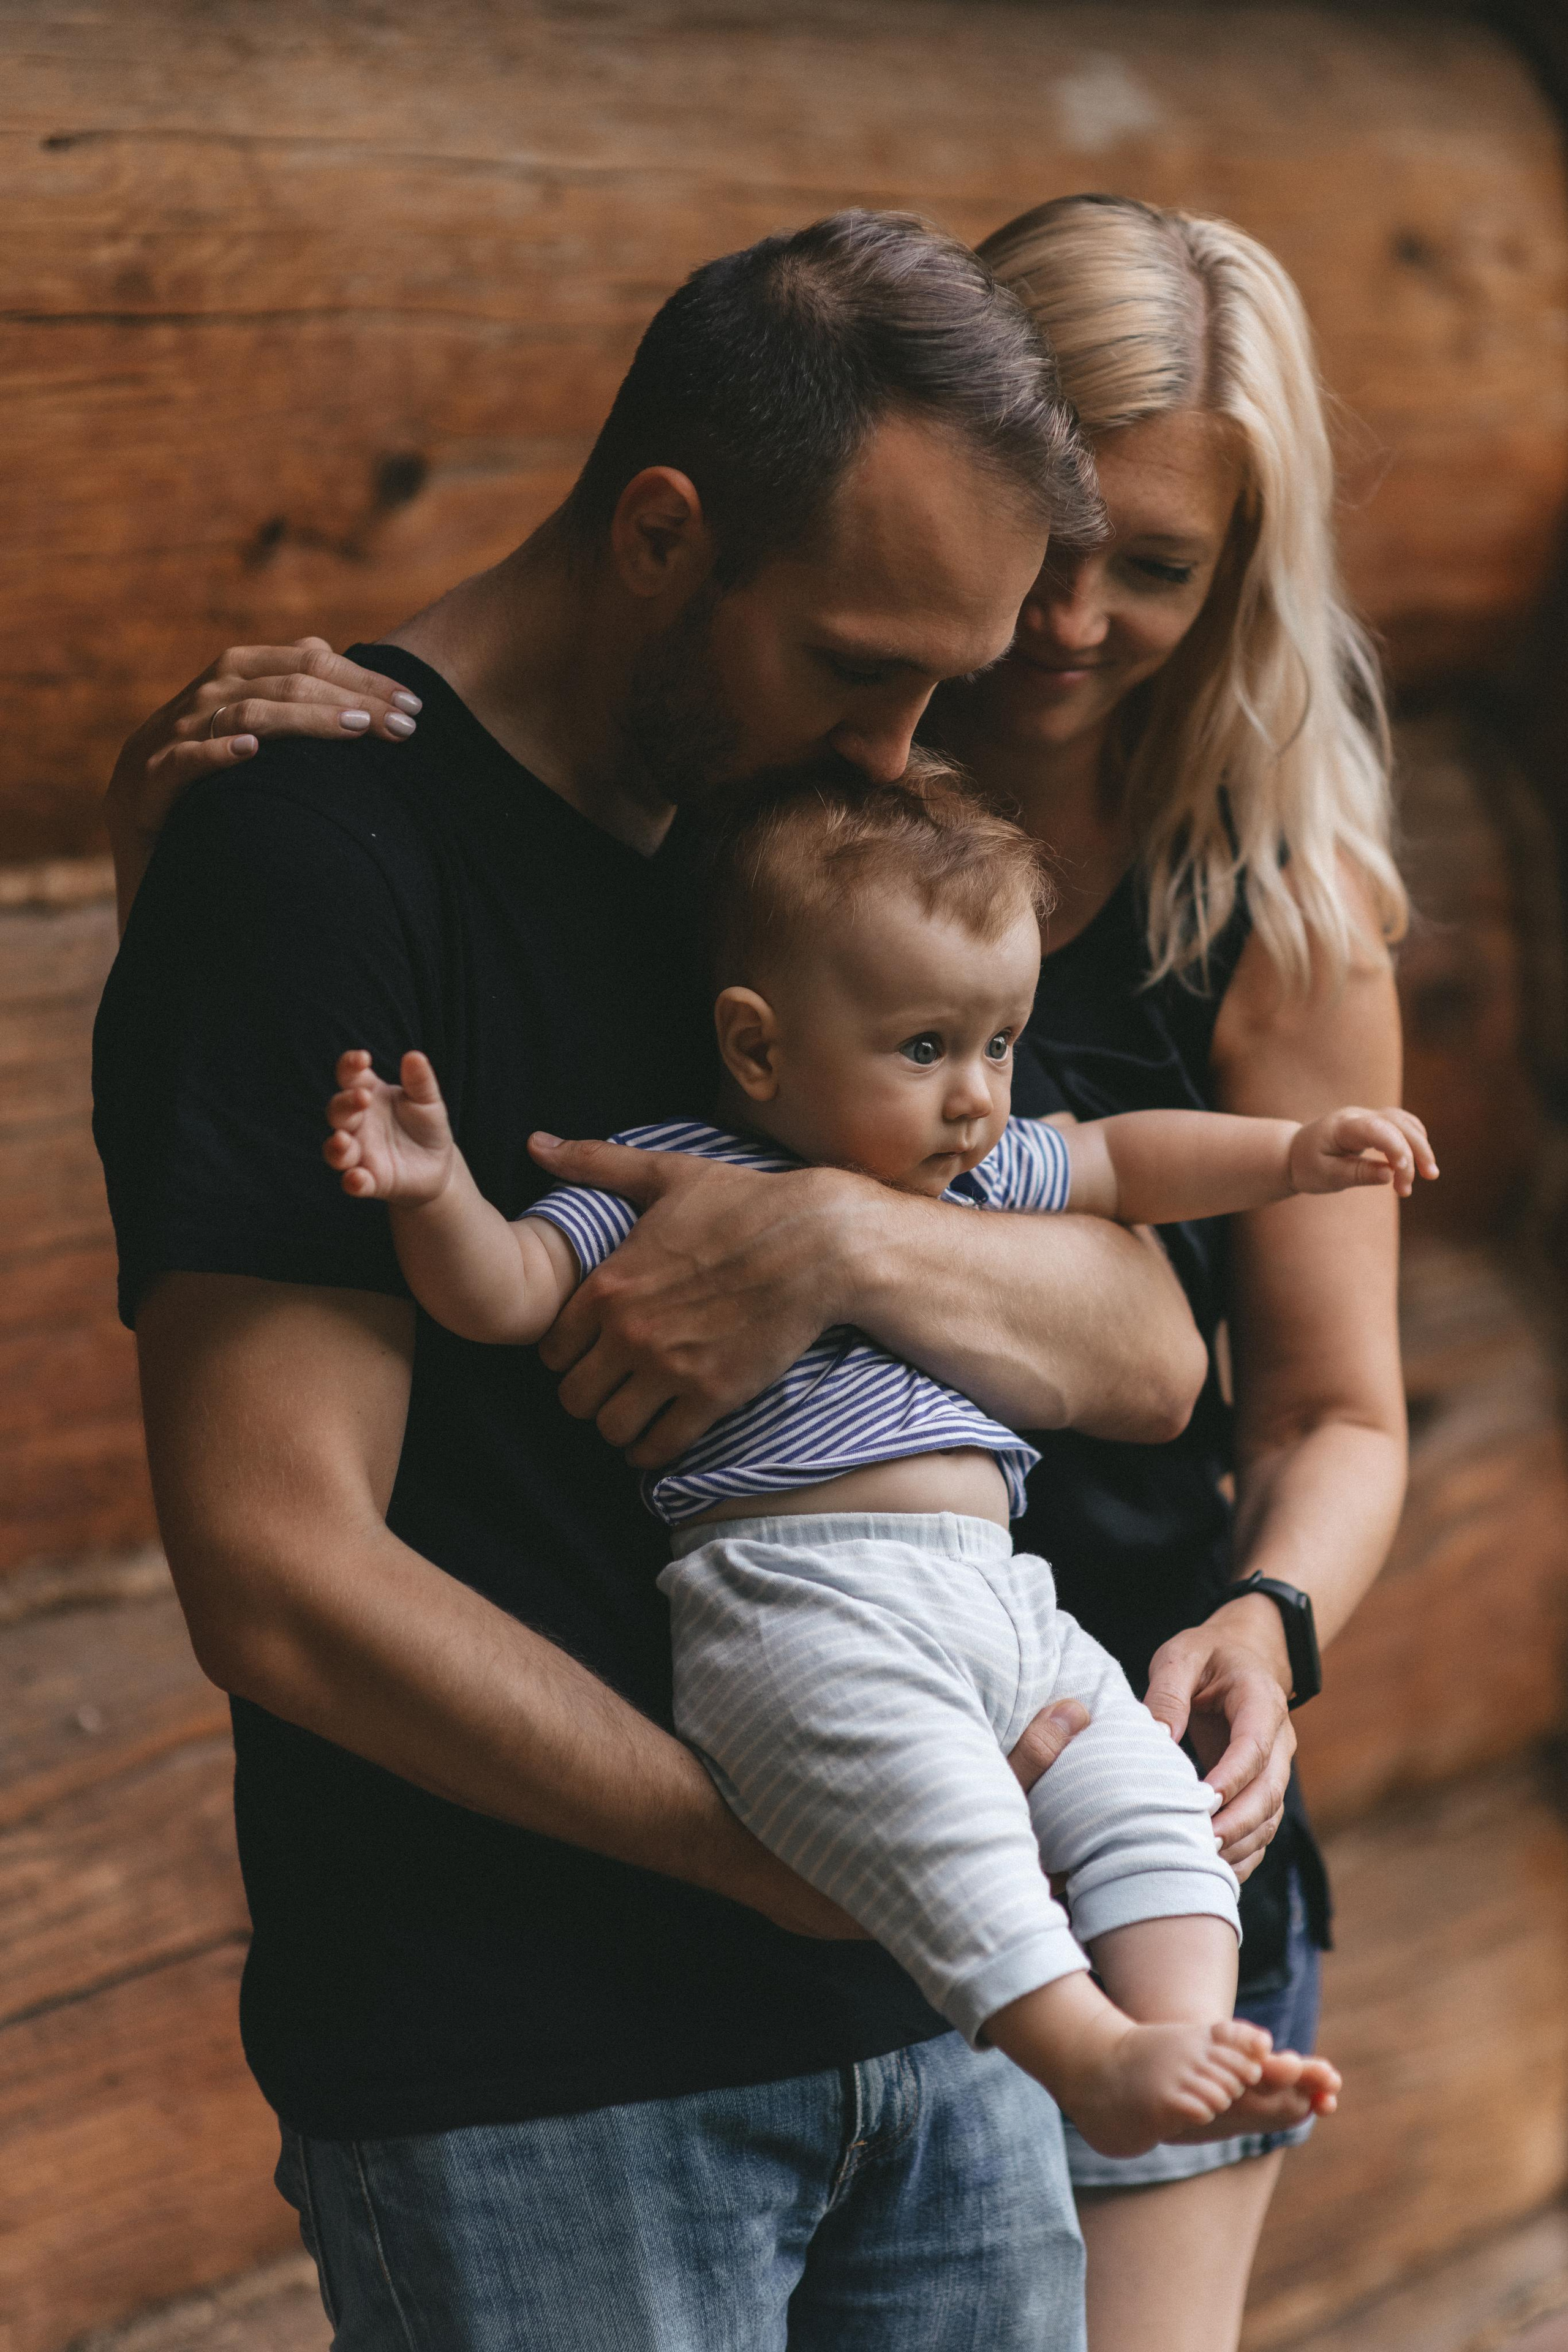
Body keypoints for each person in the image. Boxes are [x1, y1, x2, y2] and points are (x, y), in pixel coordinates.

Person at [102, 196, 1414, 2351]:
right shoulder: (319, 849)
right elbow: (274, 1566)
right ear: (658, 535)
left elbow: (1149, 1352)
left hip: (944, 2018)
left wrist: (833, 1235)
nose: (906, 744)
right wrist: (785, 1856)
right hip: (540, 2056)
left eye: (944, 679)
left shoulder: (823, 858)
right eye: (855, 659)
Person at [320, 756, 1427, 2150]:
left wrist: (1291, 1152)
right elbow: (504, 1292)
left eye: (999, 1045)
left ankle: (1179, 2026)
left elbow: (1130, 1163)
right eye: (924, 1048)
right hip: (799, 1608)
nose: (975, 1095)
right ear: (757, 1046)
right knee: (951, 1827)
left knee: (1142, 1798)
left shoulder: (974, 1170)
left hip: (999, 1596)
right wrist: (434, 1196)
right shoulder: (668, 1182)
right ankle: (1082, 2056)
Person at [922, 193, 1414, 2352]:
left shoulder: (1278, 901)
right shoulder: (763, 805)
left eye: (1158, 564)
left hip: (1134, 1826)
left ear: (1241, 573)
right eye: (1049, 534)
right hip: (808, 1775)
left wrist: (1269, 1622)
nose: (1075, 615)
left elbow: (1339, 1412)